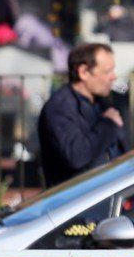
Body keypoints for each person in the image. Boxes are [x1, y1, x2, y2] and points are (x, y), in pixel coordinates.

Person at [36, 42, 125, 187]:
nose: (113, 77)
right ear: (83, 72)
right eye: (107, 71)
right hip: (84, 197)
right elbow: (77, 155)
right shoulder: (59, 108)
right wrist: (107, 124)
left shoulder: (101, 103)